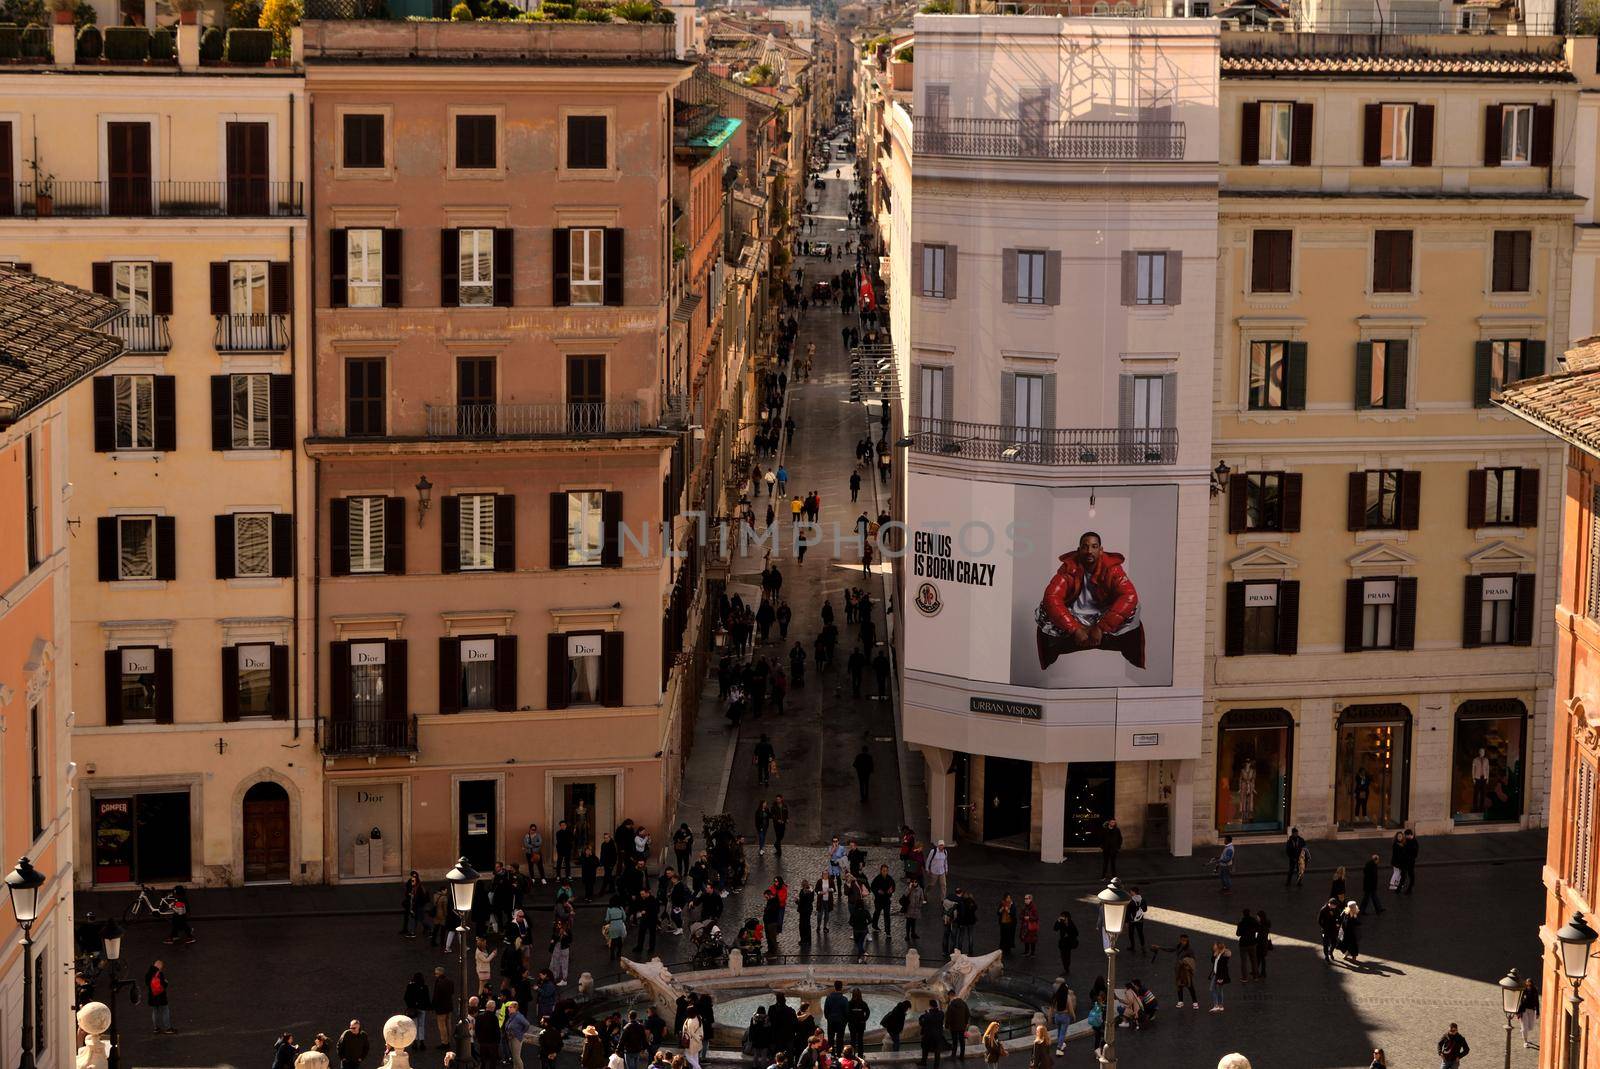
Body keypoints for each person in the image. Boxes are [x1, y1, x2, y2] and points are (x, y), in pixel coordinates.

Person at [1035, 532, 1145, 670]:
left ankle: (1132, 661)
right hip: (1075, 616)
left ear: (1101, 550)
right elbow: (1051, 597)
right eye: (1085, 547)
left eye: (1094, 547)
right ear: (1079, 549)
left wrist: (1100, 628)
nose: (1089, 551)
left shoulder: (1112, 568)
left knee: (1134, 608)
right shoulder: (1068, 568)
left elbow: (1129, 596)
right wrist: (1075, 629)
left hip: (1103, 616)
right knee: (1044, 610)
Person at [145, 960, 175, 1034]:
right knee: (165, 1011)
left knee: (155, 1012)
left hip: (152, 996)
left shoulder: (148, 974)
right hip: (161, 997)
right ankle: (168, 1028)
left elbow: (147, 983)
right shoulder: (160, 974)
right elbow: (163, 984)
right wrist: (166, 983)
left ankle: (156, 1028)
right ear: (160, 966)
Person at [403, 972, 431, 1050]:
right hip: (422, 1008)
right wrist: (427, 1006)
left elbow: (406, 997)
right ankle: (421, 1041)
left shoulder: (410, 986)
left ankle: (414, 1042)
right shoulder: (425, 987)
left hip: (413, 1009)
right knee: (421, 1025)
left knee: (414, 1025)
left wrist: (410, 1005)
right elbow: (427, 999)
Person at [430, 966, 455, 1049]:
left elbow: (436, 997)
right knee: (448, 1023)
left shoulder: (439, 983)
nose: (435, 975)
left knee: (442, 1025)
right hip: (449, 1006)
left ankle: (445, 1042)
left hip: (441, 1008)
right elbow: (452, 992)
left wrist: (433, 1006)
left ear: (438, 974)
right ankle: (449, 1039)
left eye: (436, 973)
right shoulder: (450, 981)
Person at [1049, 979, 1075, 1052]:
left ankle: (1061, 1043)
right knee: (1063, 1033)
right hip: (1065, 1016)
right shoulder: (1067, 998)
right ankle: (1059, 1048)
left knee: (1059, 1031)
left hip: (1057, 1016)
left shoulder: (1055, 997)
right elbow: (1071, 1009)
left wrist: (1050, 1018)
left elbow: (1051, 1009)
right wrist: (1073, 1016)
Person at [824, 981, 850, 1054]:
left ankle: (831, 1054)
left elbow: (826, 1010)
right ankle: (839, 1054)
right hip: (841, 1022)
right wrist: (845, 1021)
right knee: (840, 1039)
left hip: (831, 1021)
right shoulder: (844, 999)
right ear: (841, 988)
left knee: (830, 1039)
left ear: (834, 987)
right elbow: (846, 1012)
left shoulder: (828, 998)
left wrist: (828, 1018)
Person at [918, 1001, 945, 1068]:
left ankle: (923, 1062)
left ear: (930, 1006)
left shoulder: (927, 1015)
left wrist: (925, 1014)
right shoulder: (941, 1014)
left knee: (925, 1049)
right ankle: (936, 1066)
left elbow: (921, 1023)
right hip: (938, 1035)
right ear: (936, 1006)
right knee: (937, 1051)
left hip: (928, 1036)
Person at [505, 1003, 532, 1069]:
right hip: (511, 1037)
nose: (509, 1008)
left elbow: (527, 1024)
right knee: (514, 1057)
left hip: (516, 1038)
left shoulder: (519, 1016)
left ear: (515, 1008)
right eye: (509, 1007)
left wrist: (522, 1032)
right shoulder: (512, 1015)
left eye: (510, 1007)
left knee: (517, 1057)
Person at [1208, 941, 1231, 1012]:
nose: (1213, 947)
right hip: (1216, 974)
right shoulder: (1217, 954)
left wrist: (1221, 978)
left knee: (1213, 989)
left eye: (1215, 946)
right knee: (1218, 989)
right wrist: (1214, 955)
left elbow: (1223, 968)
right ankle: (1220, 1005)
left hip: (1220, 975)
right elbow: (1212, 961)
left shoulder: (1224, 956)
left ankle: (1217, 1005)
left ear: (1218, 947)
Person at [1317, 898, 1341, 964]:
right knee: (1326, 944)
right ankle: (1326, 956)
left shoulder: (1336, 909)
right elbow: (1319, 920)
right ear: (1330, 904)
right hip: (1326, 930)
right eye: (1334, 905)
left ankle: (1331, 951)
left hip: (1334, 929)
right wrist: (1323, 927)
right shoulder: (1324, 909)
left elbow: (1339, 916)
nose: (1335, 906)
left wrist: (1338, 923)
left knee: (1334, 943)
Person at [945, 995, 969, 1060]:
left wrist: (946, 1025)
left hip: (953, 1027)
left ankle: (953, 1055)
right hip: (962, 1027)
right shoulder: (964, 1003)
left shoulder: (951, 1005)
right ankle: (962, 1056)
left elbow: (948, 1017)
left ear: (950, 996)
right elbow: (967, 1014)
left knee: (954, 1041)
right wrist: (966, 1023)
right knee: (962, 1041)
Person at [1518, 976, 1540, 1048]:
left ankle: (1523, 1030)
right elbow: (1520, 1001)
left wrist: (1537, 1012)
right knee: (1525, 1028)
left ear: (1532, 985)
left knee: (1530, 1027)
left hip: (1532, 1010)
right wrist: (1518, 1012)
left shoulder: (1535, 991)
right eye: (1527, 985)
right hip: (1524, 1010)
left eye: (1529, 985)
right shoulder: (1523, 990)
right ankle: (1525, 1041)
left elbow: (1537, 1002)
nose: (1528, 986)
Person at [1122, 887, 1146, 953]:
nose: (1130, 893)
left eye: (1131, 892)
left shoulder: (1130, 901)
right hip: (1140, 920)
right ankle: (1143, 947)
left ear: (1133, 892)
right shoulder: (1142, 900)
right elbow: (1145, 909)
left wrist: (1126, 922)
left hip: (1131, 920)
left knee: (1131, 934)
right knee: (1140, 933)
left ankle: (1132, 946)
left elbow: (1127, 912)